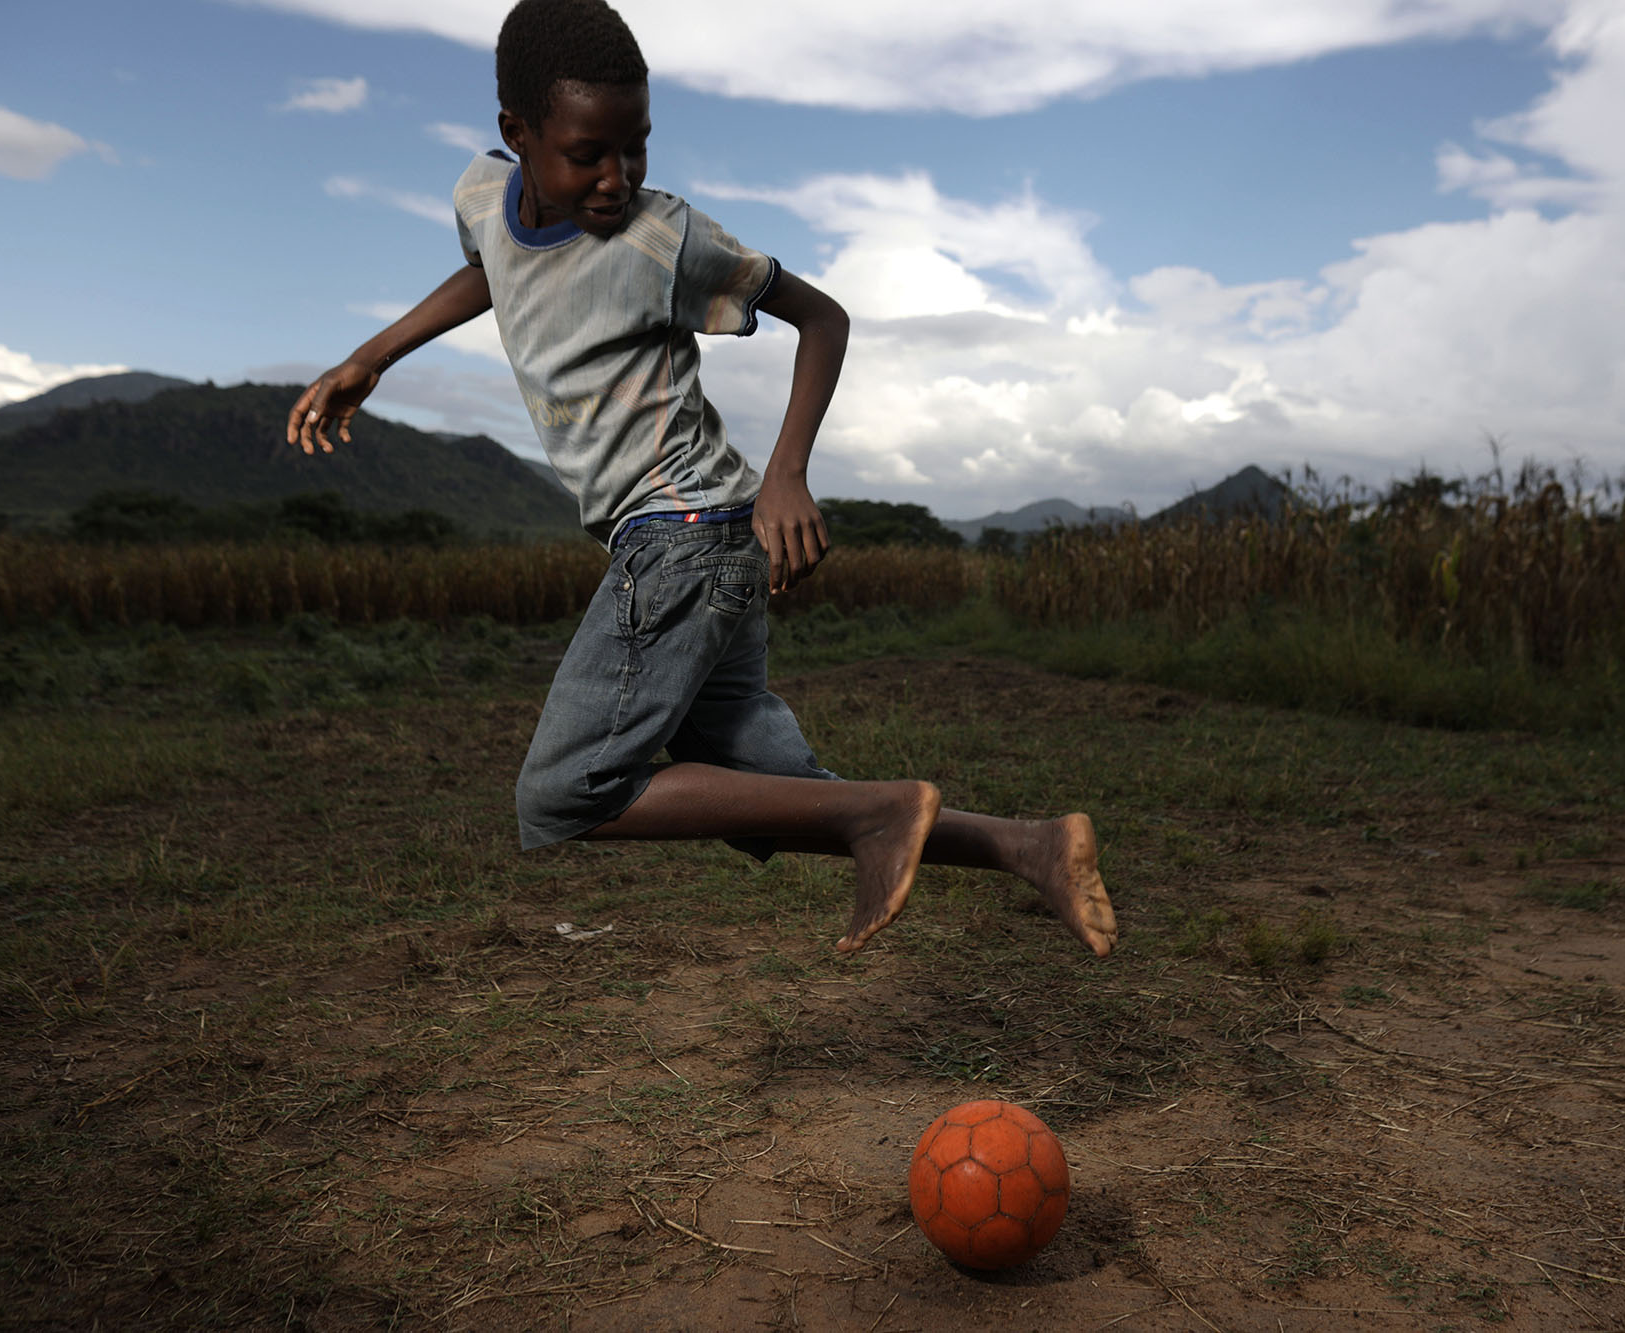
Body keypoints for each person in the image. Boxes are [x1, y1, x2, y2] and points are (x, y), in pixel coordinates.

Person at [286, 0, 1116, 957]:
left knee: (567, 792)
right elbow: (495, 269)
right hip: (692, 543)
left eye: (635, 147)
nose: (617, 177)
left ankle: (879, 818)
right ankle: (1032, 845)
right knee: (788, 800)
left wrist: (788, 475)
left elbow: (826, 318)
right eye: (588, 152)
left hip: (682, 531)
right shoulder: (484, 193)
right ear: (516, 136)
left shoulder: (662, 241)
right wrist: (375, 354)